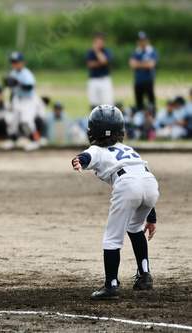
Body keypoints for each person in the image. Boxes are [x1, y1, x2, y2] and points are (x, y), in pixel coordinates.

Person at [72, 105, 159, 300]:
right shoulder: (129, 149)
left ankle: (111, 285)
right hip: (150, 183)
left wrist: (77, 161)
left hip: (127, 185)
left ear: (92, 130)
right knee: (135, 227)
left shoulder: (96, 149)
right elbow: (141, 179)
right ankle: (144, 274)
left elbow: (86, 157)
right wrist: (151, 217)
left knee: (112, 238)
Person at [2, 51, 40, 151]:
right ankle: (13, 139)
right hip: (17, 99)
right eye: (13, 62)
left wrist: (18, 83)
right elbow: (12, 91)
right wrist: (10, 102)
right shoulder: (13, 73)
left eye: (17, 62)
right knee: (11, 120)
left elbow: (30, 86)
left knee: (26, 121)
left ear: (22, 62)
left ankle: (34, 141)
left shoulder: (26, 73)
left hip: (28, 100)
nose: (15, 64)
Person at [130, 31, 158, 110]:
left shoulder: (151, 51)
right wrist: (145, 64)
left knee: (151, 102)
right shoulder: (136, 51)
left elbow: (151, 64)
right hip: (138, 81)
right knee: (139, 103)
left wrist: (138, 64)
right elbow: (132, 64)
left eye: (143, 40)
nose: (142, 42)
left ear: (147, 40)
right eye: (140, 40)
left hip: (148, 80)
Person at [86, 32, 113, 106]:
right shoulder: (90, 52)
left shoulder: (106, 51)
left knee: (108, 102)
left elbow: (104, 61)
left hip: (104, 79)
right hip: (94, 79)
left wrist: (97, 51)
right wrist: (100, 63)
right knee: (94, 103)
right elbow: (90, 64)